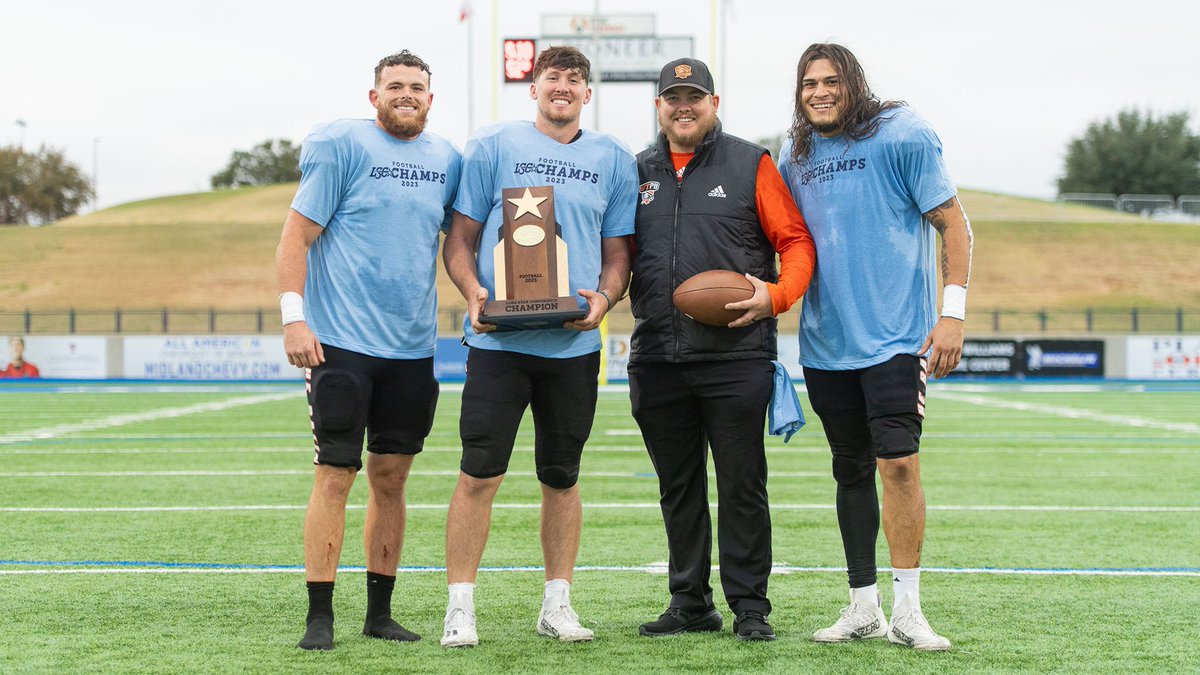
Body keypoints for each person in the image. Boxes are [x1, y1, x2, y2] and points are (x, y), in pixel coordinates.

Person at [777, 43, 974, 651]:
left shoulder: (903, 133)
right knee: (850, 470)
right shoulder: (795, 152)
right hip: (825, 343)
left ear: (853, 83)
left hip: (897, 337)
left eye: (831, 81)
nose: (820, 92)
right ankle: (863, 604)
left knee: (899, 464)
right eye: (809, 83)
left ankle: (909, 608)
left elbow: (955, 225)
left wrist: (953, 315)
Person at [440, 45, 637, 648]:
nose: (564, 87)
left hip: (573, 349)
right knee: (479, 472)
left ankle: (557, 603)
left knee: (562, 475)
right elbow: (460, 240)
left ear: (587, 94)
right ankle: (460, 606)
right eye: (553, 77)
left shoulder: (614, 158)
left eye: (575, 80)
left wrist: (604, 301)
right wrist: (474, 291)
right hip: (499, 344)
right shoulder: (492, 145)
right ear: (534, 88)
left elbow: (617, 256)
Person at [275, 50, 461, 651]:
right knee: (336, 474)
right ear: (374, 95)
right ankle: (319, 614)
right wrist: (294, 319)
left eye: (417, 87)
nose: (406, 94)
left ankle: (379, 611)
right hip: (341, 344)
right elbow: (296, 236)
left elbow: (463, 241)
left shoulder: (447, 159)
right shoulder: (341, 145)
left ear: (430, 99)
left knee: (392, 477)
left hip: (410, 346)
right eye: (395, 86)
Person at [627, 58, 816, 642]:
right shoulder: (635, 171)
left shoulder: (749, 162)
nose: (684, 107)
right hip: (657, 355)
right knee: (678, 486)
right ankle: (689, 602)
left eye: (695, 97)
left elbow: (796, 241)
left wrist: (779, 296)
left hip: (735, 357)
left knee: (741, 483)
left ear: (714, 102)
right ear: (659, 105)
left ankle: (750, 607)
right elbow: (613, 254)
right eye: (672, 97)